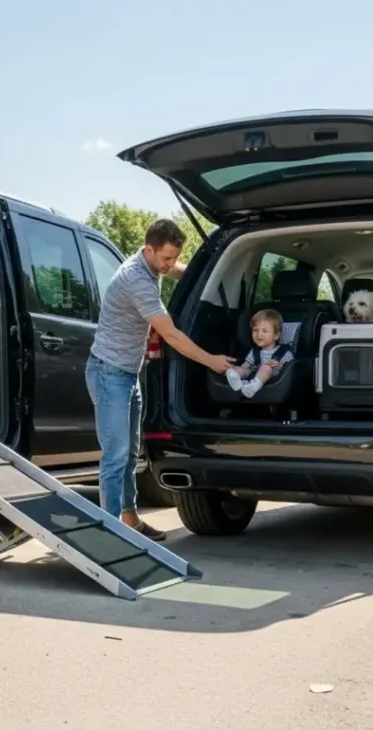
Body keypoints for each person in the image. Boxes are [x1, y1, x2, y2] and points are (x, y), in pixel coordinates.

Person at [86, 219, 235, 540]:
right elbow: (172, 337)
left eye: (173, 258)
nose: (170, 264)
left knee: (128, 453)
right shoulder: (135, 280)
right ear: (149, 249)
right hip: (108, 373)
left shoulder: (150, 262)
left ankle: (129, 519)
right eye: (166, 258)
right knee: (115, 455)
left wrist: (198, 274)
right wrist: (212, 361)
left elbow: (174, 269)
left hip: (127, 372)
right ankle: (109, 532)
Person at [224, 308, 295, 398]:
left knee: (266, 368)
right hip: (254, 374)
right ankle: (236, 378)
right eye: (255, 330)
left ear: (276, 335)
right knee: (240, 369)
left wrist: (279, 366)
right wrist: (239, 369)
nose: (259, 334)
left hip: (272, 378)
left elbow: (290, 370)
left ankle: (252, 387)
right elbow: (246, 365)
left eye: (264, 331)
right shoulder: (254, 351)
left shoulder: (284, 352)